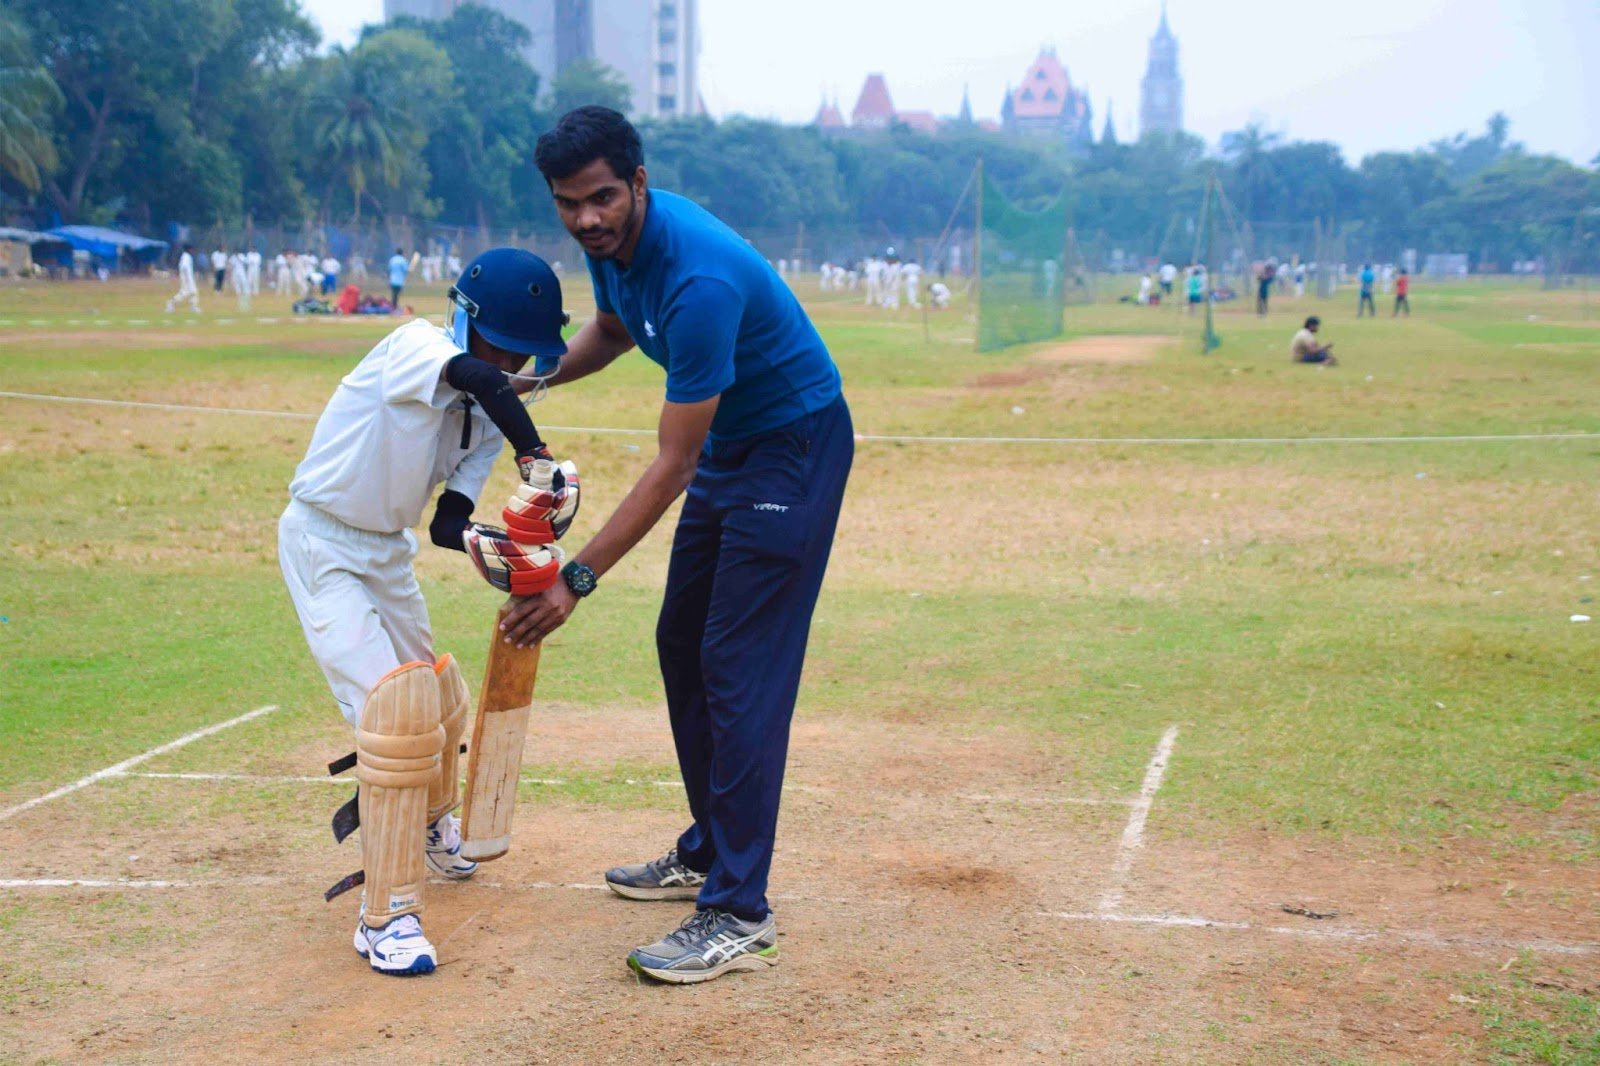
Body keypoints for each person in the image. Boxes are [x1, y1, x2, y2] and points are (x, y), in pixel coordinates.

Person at [508, 105, 853, 985]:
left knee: (740, 671)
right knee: (682, 646)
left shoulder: (699, 281)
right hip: (737, 447)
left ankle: (739, 909)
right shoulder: (615, 255)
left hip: (791, 449)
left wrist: (574, 579)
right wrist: (527, 381)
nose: (587, 219)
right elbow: (617, 331)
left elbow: (671, 465)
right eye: (568, 204)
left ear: (638, 185)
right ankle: (709, 850)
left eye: (602, 198)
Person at [278, 247, 578, 976]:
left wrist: (499, 545)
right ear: (468, 323)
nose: (517, 367)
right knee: (395, 713)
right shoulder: (418, 348)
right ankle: (386, 918)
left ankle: (432, 827)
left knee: (436, 696)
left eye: (530, 354)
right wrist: (536, 452)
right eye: (509, 346)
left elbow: (448, 523)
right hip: (323, 541)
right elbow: (474, 375)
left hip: (386, 552)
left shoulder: (479, 416)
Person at [165, 244, 201, 313]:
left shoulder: (187, 256)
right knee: (185, 293)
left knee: (193, 292)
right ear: (188, 250)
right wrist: (187, 278)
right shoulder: (186, 257)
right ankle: (171, 303)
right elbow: (184, 267)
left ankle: (193, 307)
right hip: (187, 278)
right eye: (191, 249)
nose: (193, 251)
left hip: (188, 277)